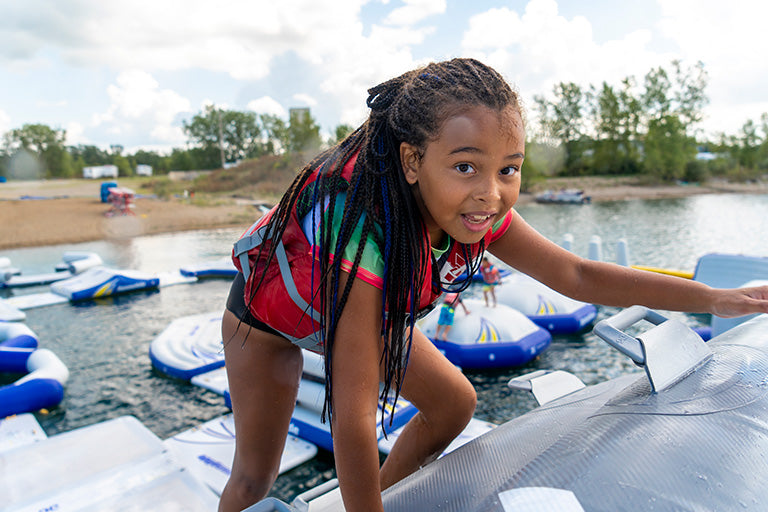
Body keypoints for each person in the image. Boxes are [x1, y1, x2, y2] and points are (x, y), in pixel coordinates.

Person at [218, 58, 768, 512]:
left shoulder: (478, 213)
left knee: (454, 404)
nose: (490, 193)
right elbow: (355, 415)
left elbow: (576, 274)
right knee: (253, 479)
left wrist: (710, 298)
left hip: (366, 317)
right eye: (465, 167)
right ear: (413, 161)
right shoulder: (367, 244)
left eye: (508, 169)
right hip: (267, 323)